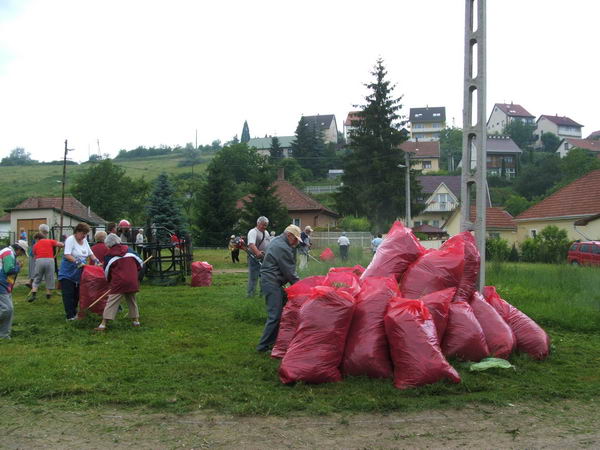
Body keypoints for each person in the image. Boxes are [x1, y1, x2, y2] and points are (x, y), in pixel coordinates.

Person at [256, 225, 301, 352]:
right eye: (295, 239)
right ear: (289, 235)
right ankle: (262, 346)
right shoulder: (283, 247)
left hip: (271, 280)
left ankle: (274, 341)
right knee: (274, 315)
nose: (296, 242)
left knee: (280, 312)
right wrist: (302, 287)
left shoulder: (276, 240)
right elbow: (290, 273)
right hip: (271, 282)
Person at [94, 234, 143, 332]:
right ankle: (136, 321)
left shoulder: (109, 255)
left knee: (112, 302)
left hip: (119, 282)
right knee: (131, 299)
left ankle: (103, 325)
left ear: (108, 244)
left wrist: (109, 281)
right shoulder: (130, 251)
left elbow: (107, 271)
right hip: (132, 280)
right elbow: (140, 263)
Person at [58, 223, 101, 321]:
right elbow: (67, 255)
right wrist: (77, 261)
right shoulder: (70, 240)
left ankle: (74, 313)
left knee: (77, 295)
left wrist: (97, 262)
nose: (84, 236)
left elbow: (91, 254)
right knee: (68, 294)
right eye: (83, 233)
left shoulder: (84, 240)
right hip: (68, 273)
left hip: (79, 273)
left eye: (86, 234)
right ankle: (70, 316)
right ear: (77, 232)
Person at [0, 240, 27, 340]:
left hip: (4, 284)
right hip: (1, 284)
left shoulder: (8, 252)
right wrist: (18, 267)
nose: (21, 255)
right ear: (19, 249)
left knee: (9, 310)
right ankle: (3, 334)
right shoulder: (9, 253)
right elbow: (8, 270)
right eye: (22, 252)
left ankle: (4, 335)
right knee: (7, 309)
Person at [27, 233, 64, 302]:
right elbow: (61, 244)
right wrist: (58, 250)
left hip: (39, 260)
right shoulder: (50, 241)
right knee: (49, 277)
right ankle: (48, 294)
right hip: (50, 260)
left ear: (37, 238)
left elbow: (35, 254)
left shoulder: (35, 245)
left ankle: (34, 295)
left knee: (37, 277)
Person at [246, 216, 270, 297]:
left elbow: (268, 244)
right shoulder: (253, 232)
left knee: (264, 277)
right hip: (254, 257)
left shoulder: (266, 232)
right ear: (258, 223)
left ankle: (262, 295)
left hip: (264, 257)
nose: (264, 227)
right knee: (253, 277)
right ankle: (250, 295)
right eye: (263, 225)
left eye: (266, 225)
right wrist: (257, 253)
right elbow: (251, 244)